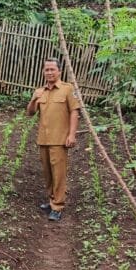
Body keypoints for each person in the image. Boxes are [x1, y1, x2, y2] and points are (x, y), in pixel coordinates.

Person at [26, 58, 80, 222]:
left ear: (59, 72)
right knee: (47, 173)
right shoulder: (40, 91)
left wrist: (72, 134)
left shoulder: (67, 89)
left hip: (59, 140)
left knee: (59, 173)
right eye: (46, 69)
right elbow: (30, 113)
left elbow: (74, 111)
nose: (49, 72)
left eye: (52, 69)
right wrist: (34, 99)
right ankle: (51, 199)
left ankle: (57, 206)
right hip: (43, 139)